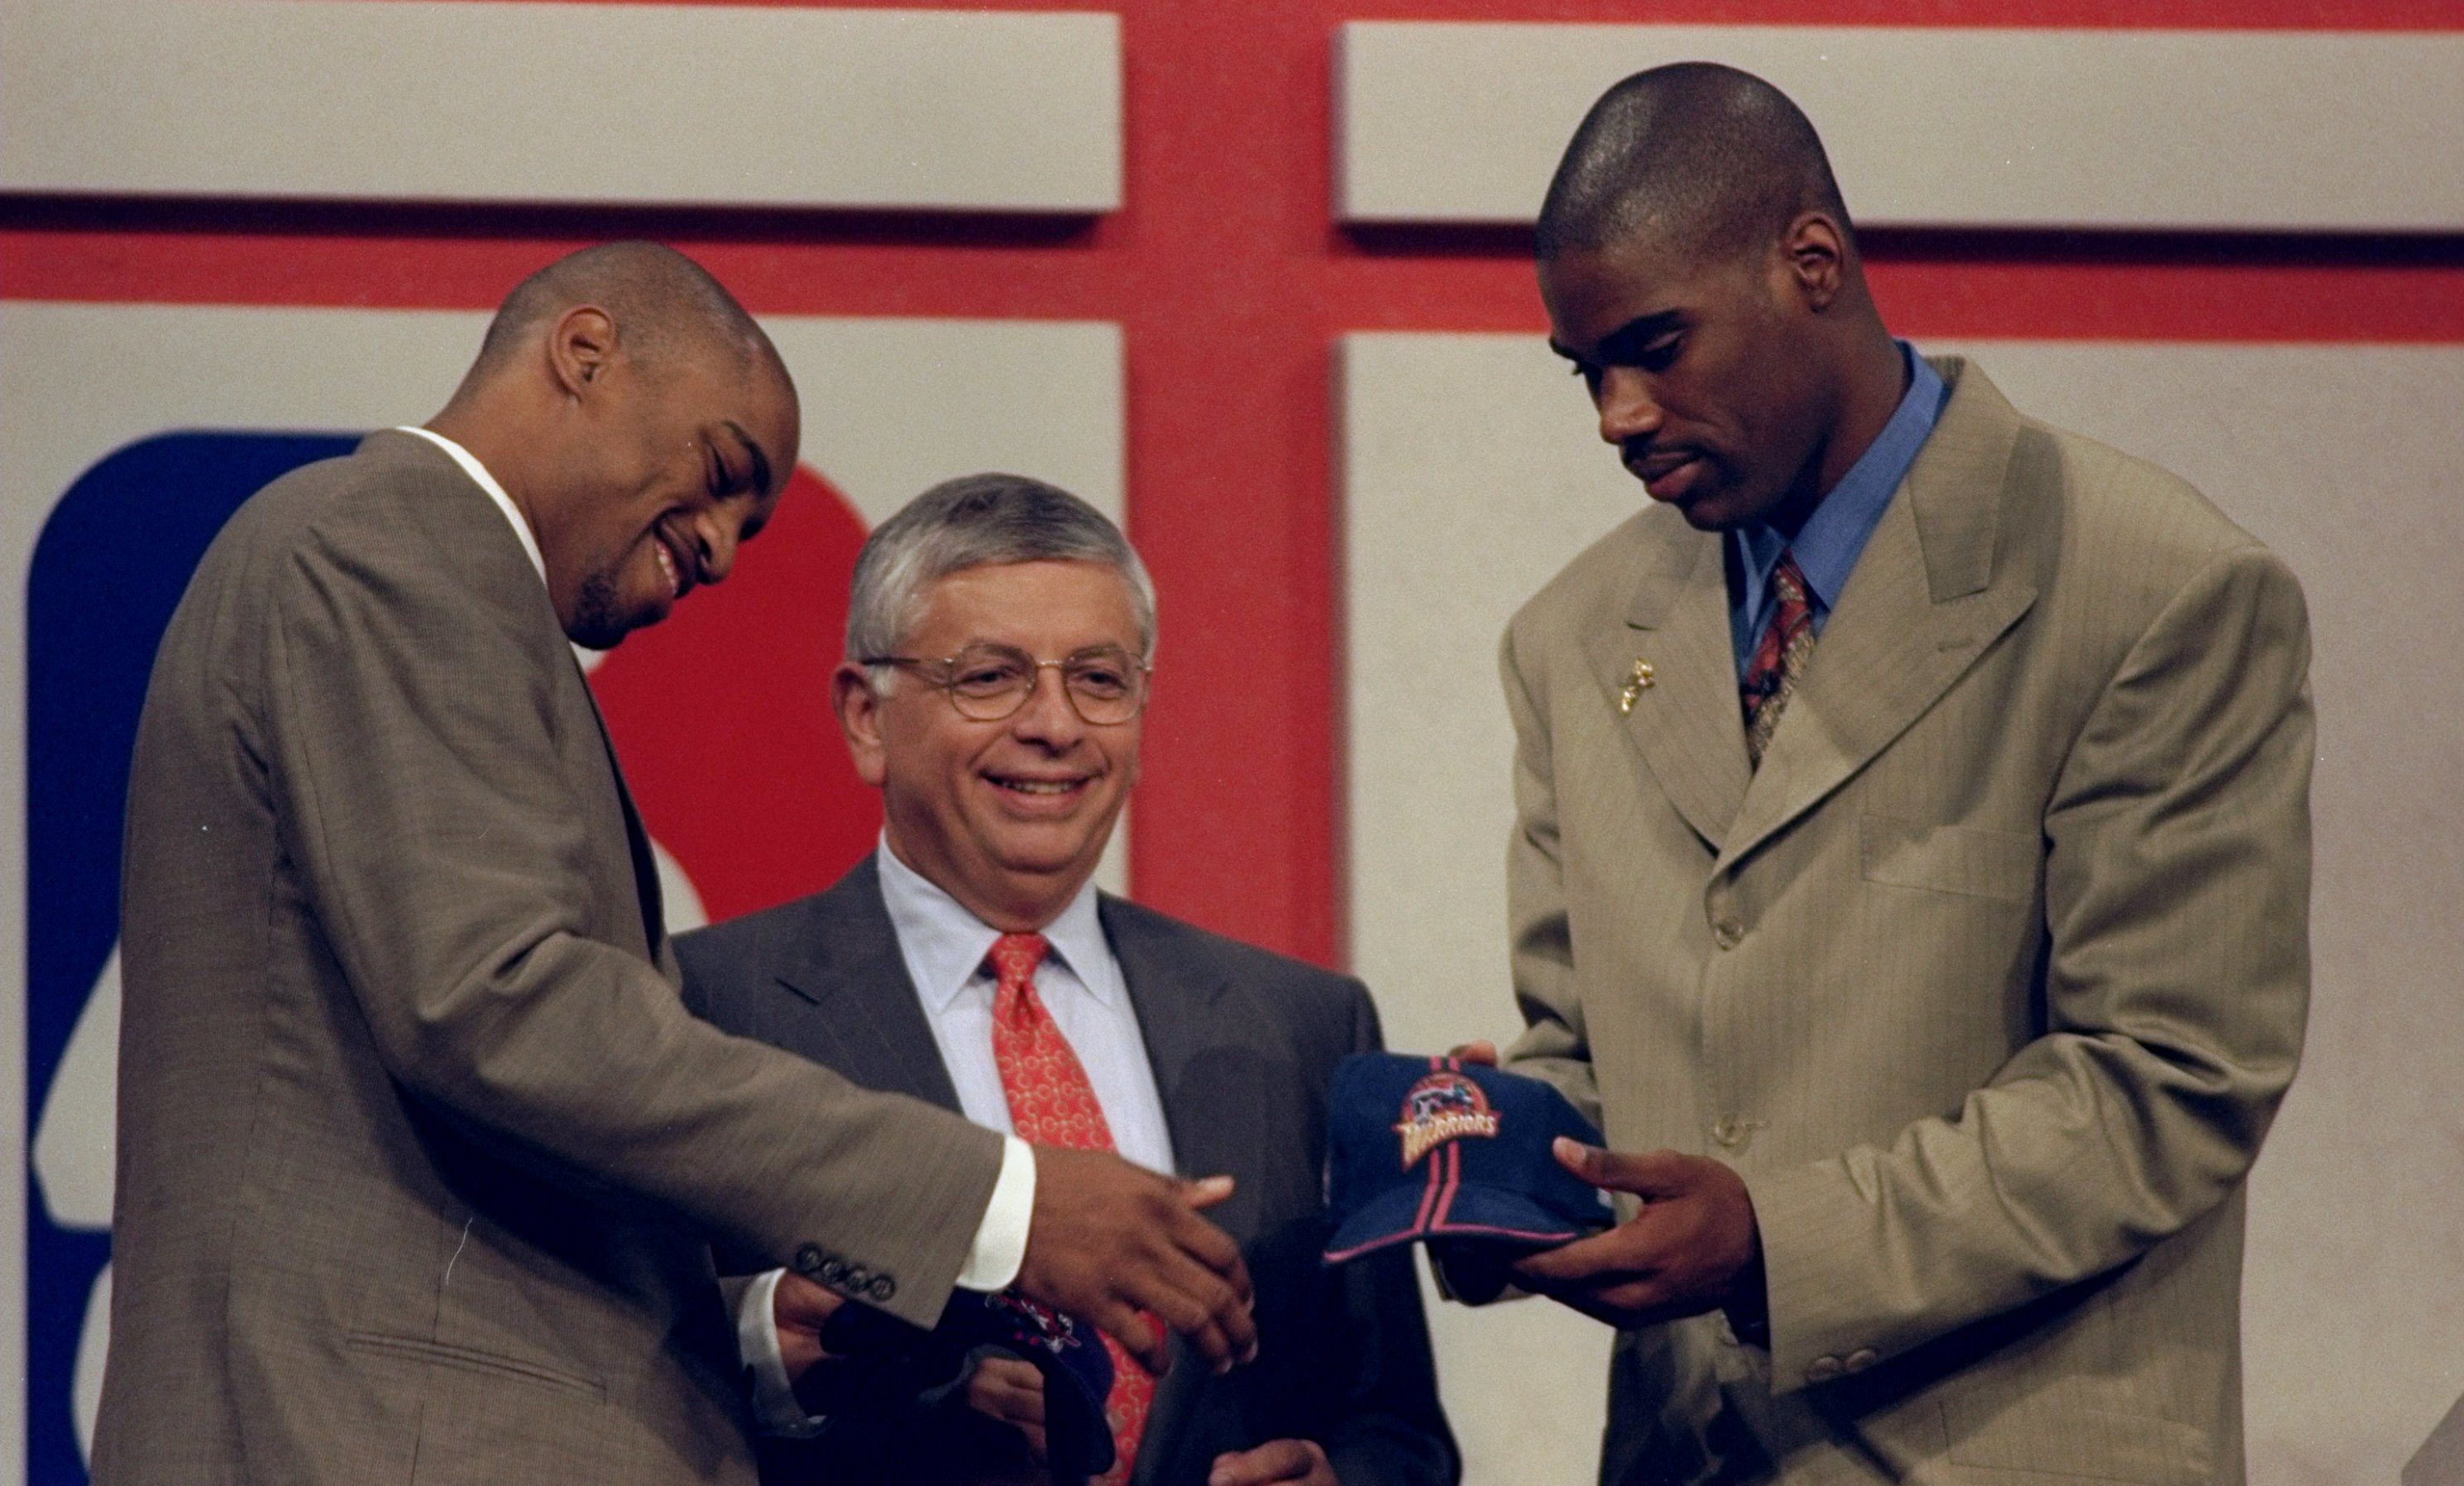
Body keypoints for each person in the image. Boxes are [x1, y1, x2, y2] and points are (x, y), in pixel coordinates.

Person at [98, 244, 1256, 1485]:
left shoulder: (442, 586)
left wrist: (757, 1332)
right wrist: (1004, 1211)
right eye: (718, 478)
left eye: (747, 527)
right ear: (583, 353)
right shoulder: (388, 544)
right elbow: (500, 1008)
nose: (716, 550)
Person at [1480, 65, 2313, 1482]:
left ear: (1810, 263)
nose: (1615, 414)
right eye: (1584, 371)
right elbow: (1588, 1059)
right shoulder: (1569, 635)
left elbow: (2166, 1081)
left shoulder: (2157, 590)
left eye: (1654, 347)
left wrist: (1769, 1240)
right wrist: (1486, 1161)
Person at [676, 474, 1457, 1486]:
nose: (1056, 726)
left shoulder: (1306, 1023)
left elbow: (1397, 1428)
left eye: (1099, 679)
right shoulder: (703, 1008)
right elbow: (621, 1372)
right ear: (867, 717)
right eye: (991, 677)